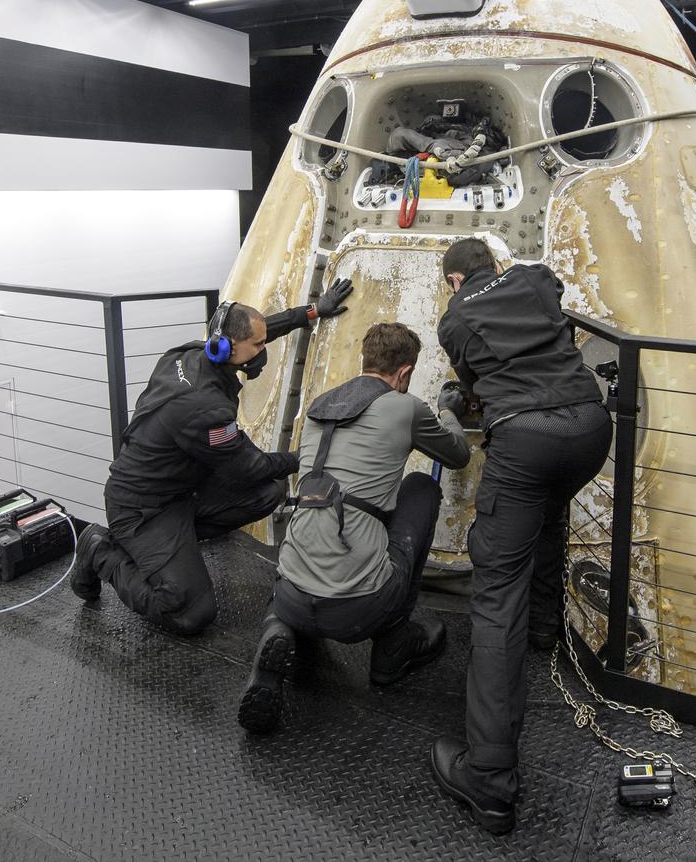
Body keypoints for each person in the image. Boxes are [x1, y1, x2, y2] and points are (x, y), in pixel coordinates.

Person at [428, 239, 613, 834]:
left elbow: (478, 382)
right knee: (550, 514)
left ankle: (489, 782)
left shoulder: (454, 319)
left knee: (494, 598)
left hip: (526, 437)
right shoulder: (535, 278)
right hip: (589, 427)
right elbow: (551, 307)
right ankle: (544, 631)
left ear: (455, 279)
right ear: (495, 263)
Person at [70, 280, 353, 636]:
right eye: (259, 346)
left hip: (182, 488)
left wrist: (311, 312)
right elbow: (249, 467)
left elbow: (255, 328)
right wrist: (305, 456)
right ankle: (100, 550)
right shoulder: (204, 408)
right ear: (227, 348)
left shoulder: (187, 354)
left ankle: (175, 548)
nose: (263, 350)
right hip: (141, 508)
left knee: (269, 492)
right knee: (190, 613)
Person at [237, 322, 471, 735]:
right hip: (359, 609)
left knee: (309, 545)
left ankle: (278, 629)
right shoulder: (405, 406)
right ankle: (392, 651)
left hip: (290, 591)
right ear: (403, 373)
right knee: (419, 488)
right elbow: (457, 456)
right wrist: (449, 409)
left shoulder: (319, 404)